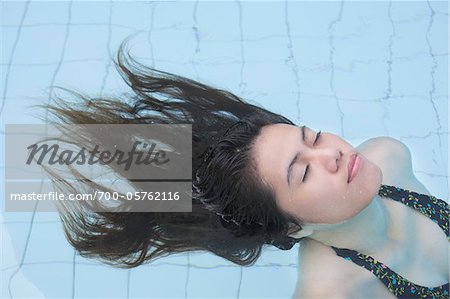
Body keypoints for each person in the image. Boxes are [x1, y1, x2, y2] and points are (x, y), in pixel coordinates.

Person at [41, 37, 449, 299]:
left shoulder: (389, 154)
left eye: (313, 137)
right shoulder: (332, 293)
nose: (332, 154)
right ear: (293, 227)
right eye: (303, 173)